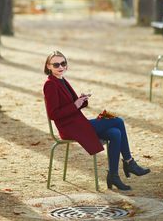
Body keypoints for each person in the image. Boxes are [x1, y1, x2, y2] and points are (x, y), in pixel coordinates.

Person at [43, 50, 150, 191]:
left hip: (79, 124)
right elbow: (53, 114)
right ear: (48, 66)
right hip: (70, 128)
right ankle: (129, 162)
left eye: (63, 63)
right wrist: (74, 105)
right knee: (118, 121)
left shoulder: (61, 80)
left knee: (115, 133)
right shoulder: (50, 84)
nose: (60, 67)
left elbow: (72, 105)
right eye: (56, 64)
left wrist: (81, 100)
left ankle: (113, 176)